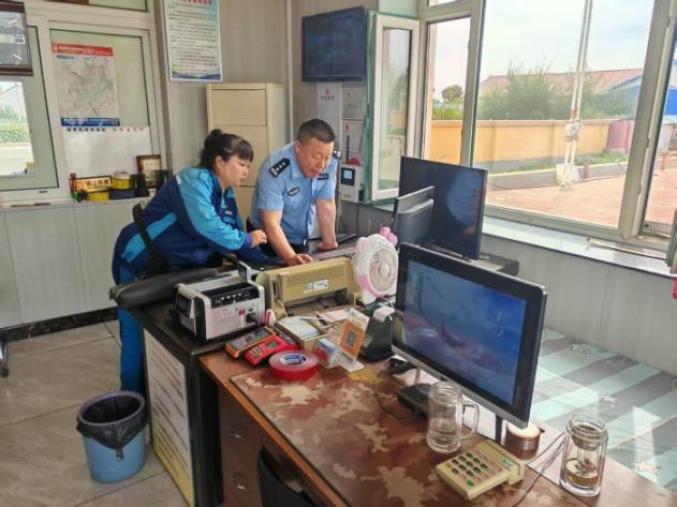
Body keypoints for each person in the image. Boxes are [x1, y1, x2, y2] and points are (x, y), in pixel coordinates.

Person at [112, 130, 267, 393]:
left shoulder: (226, 194)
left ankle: (163, 395)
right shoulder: (193, 181)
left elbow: (234, 236)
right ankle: (132, 399)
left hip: (173, 270)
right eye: (241, 164)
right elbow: (208, 228)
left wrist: (275, 263)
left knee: (170, 337)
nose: (246, 172)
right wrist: (247, 240)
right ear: (219, 162)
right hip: (138, 262)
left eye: (248, 166)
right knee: (136, 336)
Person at [248, 119, 339, 266]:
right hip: (266, 240)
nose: (322, 165)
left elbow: (325, 202)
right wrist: (290, 257)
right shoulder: (275, 169)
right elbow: (271, 223)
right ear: (298, 147)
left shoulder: (330, 161)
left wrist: (330, 242)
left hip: (299, 239)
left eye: (327, 157)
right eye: (316, 156)